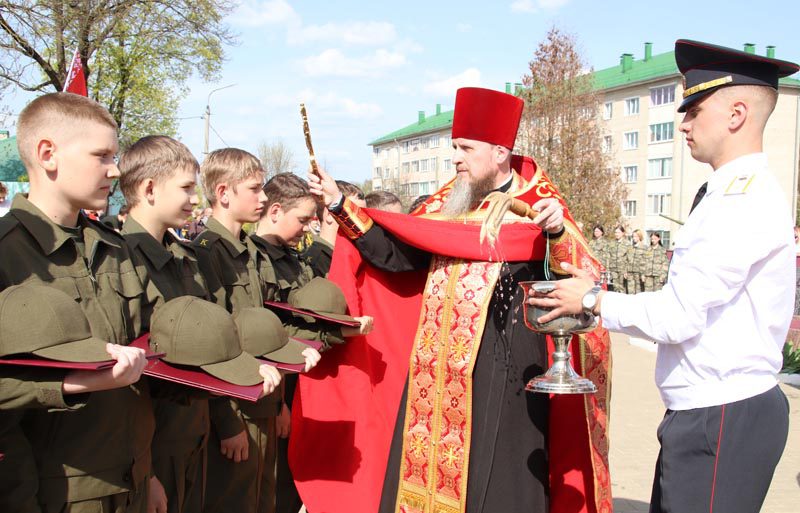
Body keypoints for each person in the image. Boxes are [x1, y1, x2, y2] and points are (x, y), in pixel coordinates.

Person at [296, 87, 611, 513]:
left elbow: (577, 284)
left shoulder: (541, 207)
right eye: (454, 148)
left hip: (505, 377)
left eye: (466, 148)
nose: (456, 157)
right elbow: (397, 255)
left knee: (497, 483)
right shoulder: (447, 203)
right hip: (434, 370)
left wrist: (553, 235)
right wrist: (338, 202)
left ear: (500, 151)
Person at [530, 39, 798, 513]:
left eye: (694, 109)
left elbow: (678, 316)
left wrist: (590, 302)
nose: (684, 123)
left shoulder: (742, 200)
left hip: (722, 416)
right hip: (710, 412)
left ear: (736, 114)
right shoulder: (725, 193)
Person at [0, 92, 153, 512]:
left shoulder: (114, 248)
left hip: (131, 481)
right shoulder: (6, 254)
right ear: (48, 154)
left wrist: (148, 471)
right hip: (56, 492)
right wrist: (66, 383)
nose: (116, 169)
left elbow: (137, 358)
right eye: (102, 155)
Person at [118, 135, 233, 513]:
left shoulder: (183, 257)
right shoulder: (118, 261)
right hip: (151, 444)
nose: (195, 200)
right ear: (149, 189)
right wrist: (144, 468)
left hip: (190, 430)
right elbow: (123, 380)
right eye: (185, 188)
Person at [192, 148, 284, 513]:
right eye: (255, 189)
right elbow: (210, 346)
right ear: (224, 193)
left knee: (262, 498)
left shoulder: (251, 250)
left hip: (262, 398)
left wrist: (278, 404)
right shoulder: (206, 252)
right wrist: (226, 420)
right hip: (233, 406)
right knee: (233, 501)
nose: (263, 198)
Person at [606, 225, 630, 292]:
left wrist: (626, 270)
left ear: (622, 233)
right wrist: (608, 269)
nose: (617, 234)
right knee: (615, 287)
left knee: (622, 288)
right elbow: (608, 256)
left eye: (618, 232)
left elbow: (629, 258)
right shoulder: (611, 243)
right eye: (615, 232)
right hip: (613, 269)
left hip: (622, 269)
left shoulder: (627, 244)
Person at [627, 228, 646, 294]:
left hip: (639, 274)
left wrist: (643, 274)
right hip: (630, 273)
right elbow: (627, 260)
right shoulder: (630, 247)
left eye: (635, 236)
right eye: (633, 236)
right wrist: (625, 271)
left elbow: (645, 262)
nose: (634, 238)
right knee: (630, 292)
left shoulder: (644, 248)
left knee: (639, 292)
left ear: (639, 237)